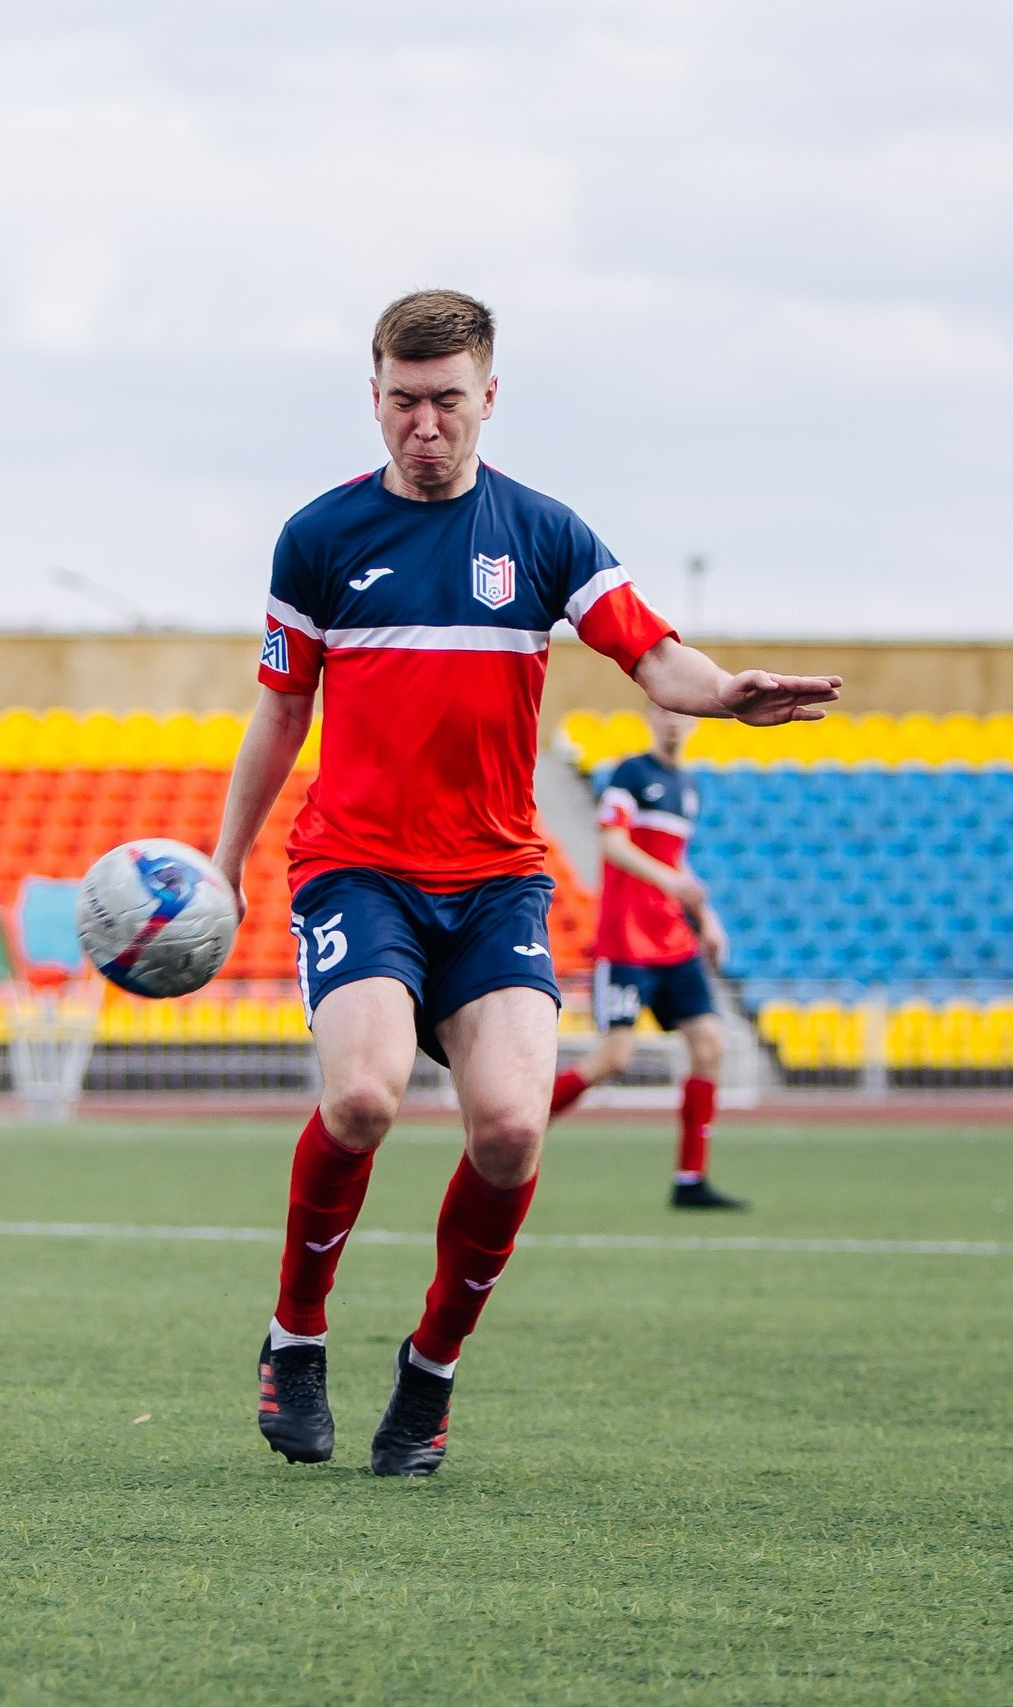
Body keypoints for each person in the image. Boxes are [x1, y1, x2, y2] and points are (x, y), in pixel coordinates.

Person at [213, 291, 840, 1476]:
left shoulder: (544, 533)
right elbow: (280, 711)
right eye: (404, 402)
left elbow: (651, 651)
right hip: (357, 868)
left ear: (489, 396)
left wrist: (722, 694)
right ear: (373, 397)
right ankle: (295, 1334)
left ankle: (430, 1371)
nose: (425, 425)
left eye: (447, 401)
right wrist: (224, 859)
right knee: (362, 1101)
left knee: (509, 1129)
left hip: (497, 879)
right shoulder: (318, 538)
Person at [548, 704, 744, 1210]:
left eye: (681, 713)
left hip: (672, 938)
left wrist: (708, 918)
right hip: (627, 939)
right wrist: (670, 880)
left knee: (709, 1042)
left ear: (695, 721)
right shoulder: (631, 774)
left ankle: (690, 1179)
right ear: (649, 716)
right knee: (615, 1056)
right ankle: (520, 1126)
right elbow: (612, 843)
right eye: (663, 711)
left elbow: (676, 860)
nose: (673, 720)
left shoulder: (689, 787)